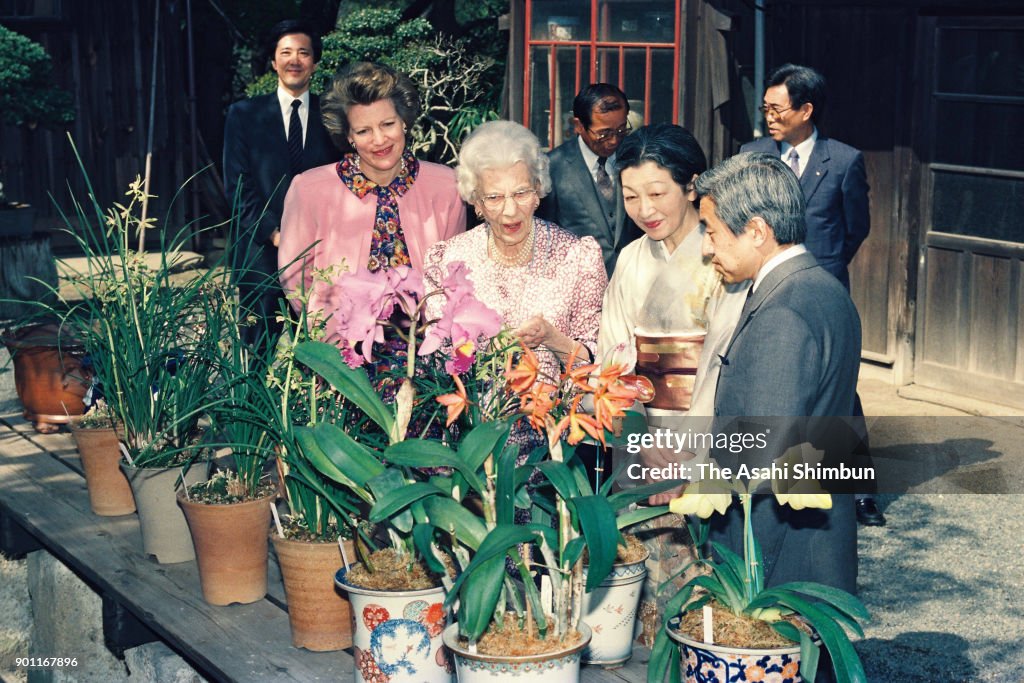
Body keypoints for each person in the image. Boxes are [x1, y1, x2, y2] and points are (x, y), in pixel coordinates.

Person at [697, 151, 860, 594]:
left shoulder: (783, 311)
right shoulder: (822, 287)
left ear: (756, 231)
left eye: (711, 231)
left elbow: (762, 455)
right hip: (812, 540)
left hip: (778, 552)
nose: (706, 247)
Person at [741, 63, 883, 526]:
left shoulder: (842, 160)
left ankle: (858, 490)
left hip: (822, 290)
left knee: (840, 391)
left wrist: (823, 269)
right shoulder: (752, 154)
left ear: (806, 109)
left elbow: (855, 228)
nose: (769, 117)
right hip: (763, 289)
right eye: (765, 108)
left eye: (777, 109)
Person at [424, 120, 607, 458]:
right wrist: (478, 346)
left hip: (553, 445)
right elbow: (438, 359)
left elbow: (596, 360)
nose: (510, 210)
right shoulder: (448, 260)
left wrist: (552, 338)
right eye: (494, 197)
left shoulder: (577, 257)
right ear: (475, 202)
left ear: (538, 190)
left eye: (521, 192)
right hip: (472, 445)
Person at [598, 124, 748, 502]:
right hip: (641, 431)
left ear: (691, 186)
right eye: (631, 197)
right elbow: (611, 364)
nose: (644, 210)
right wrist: (640, 441)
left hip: (706, 430)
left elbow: (723, 365)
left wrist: (685, 456)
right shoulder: (630, 260)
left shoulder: (724, 258)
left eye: (657, 193)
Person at [278, 62, 466, 320]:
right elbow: (294, 275)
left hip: (424, 346)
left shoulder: (447, 187)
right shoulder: (308, 189)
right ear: (349, 136)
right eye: (364, 130)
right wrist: (326, 327)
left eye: (387, 124)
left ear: (404, 123)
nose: (379, 140)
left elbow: (454, 273)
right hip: (341, 349)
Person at [223, 20, 341, 346]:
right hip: (260, 252)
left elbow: (344, 182)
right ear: (274, 62)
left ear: (315, 63)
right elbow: (237, 187)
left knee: (321, 352)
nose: (295, 60)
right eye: (286, 52)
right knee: (257, 355)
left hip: (319, 253)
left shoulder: (332, 116)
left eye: (304, 53)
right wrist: (275, 233)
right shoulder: (244, 115)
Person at [537, 84, 643, 276]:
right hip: (578, 286)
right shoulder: (553, 167)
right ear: (578, 126)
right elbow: (546, 237)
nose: (613, 141)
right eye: (603, 133)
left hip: (633, 282)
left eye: (621, 130)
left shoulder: (636, 157)